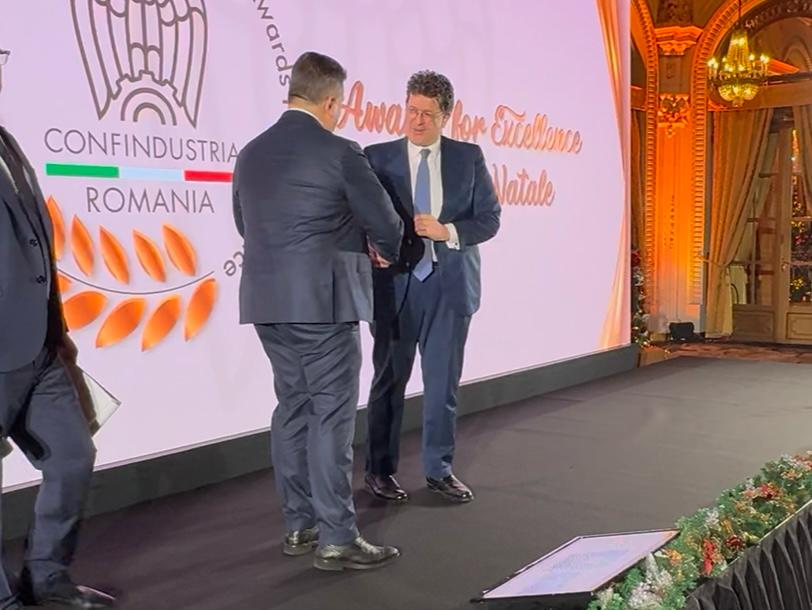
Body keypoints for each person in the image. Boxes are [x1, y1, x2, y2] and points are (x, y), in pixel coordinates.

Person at [233, 51, 404, 571]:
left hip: (267, 302)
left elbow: (244, 223)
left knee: (292, 408)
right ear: (330, 102)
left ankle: (300, 525)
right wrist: (382, 251)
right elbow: (387, 224)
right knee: (330, 415)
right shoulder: (341, 151)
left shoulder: (250, 153)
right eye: (341, 106)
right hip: (323, 304)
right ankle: (337, 537)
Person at [0, 47, 115, 609]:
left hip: (40, 345)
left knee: (72, 455)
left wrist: (59, 329)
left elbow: (33, 244)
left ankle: (46, 576)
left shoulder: (7, 141)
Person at [364, 70, 500, 505]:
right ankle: (379, 471)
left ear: (446, 115)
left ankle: (439, 470)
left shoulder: (468, 157)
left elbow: (490, 219)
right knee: (389, 380)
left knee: (442, 385)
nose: (417, 121)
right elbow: (359, 217)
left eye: (427, 113)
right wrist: (369, 247)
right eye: (411, 111)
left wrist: (449, 232)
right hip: (396, 286)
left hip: (449, 285)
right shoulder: (376, 157)